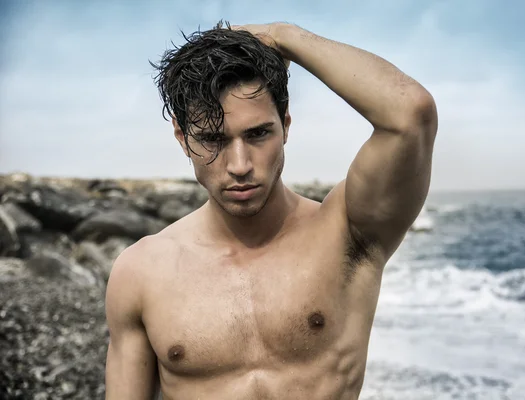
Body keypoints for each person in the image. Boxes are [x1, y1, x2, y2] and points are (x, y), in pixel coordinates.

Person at [104, 20, 438, 400]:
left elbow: (411, 113)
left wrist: (285, 37)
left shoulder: (347, 233)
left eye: (258, 133)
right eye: (213, 140)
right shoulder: (140, 273)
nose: (240, 165)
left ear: (286, 126)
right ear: (183, 139)